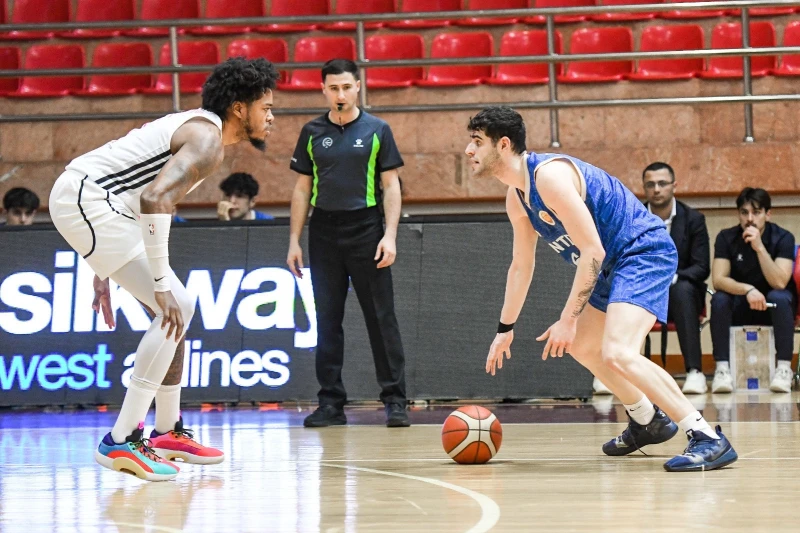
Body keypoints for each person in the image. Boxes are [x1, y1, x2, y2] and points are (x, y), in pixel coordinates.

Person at [48, 57, 280, 481]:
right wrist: (158, 283)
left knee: (176, 313)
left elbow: (135, 191)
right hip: (88, 201)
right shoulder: (206, 139)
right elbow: (155, 200)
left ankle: (166, 430)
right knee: (177, 304)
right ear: (239, 109)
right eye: (266, 106)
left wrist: (104, 268)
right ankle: (120, 441)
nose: (272, 116)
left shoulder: (202, 131)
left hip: (97, 203)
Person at [469, 106, 737, 472]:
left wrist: (567, 317)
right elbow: (521, 266)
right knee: (583, 346)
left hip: (642, 252)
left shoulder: (549, 177)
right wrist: (505, 329)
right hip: (610, 264)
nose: (469, 151)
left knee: (617, 352)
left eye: (476, 142)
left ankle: (706, 437)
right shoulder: (516, 198)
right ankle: (647, 419)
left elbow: (592, 251)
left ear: (502, 145)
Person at [286, 59, 409, 428]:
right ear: (323, 89)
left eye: (346, 87)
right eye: (333, 88)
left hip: (367, 230)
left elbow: (391, 186)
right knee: (327, 320)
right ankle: (331, 403)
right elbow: (301, 188)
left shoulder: (377, 130)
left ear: (358, 87)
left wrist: (389, 235)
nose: (340, 94)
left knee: (381, 318)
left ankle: (395, 401)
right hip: (324, 231)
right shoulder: (311, 132)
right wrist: (294, 239)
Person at [710, 187, 796, 394]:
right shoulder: (726, 237)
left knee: (780, 297)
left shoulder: (783, 238)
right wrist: (748, 289)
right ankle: (722, 370)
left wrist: (759, 248)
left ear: (768, 214)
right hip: (742, 303)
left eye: (756, 212)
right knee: (719, 299)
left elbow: (780, 281)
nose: (749, 219)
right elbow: (719, 280)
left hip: (772, 307)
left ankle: (784, 368)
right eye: (744, 212)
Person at [642, 162, 710, 394]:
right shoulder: (634, 218)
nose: (657, 189)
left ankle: (694, 372)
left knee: (682, 290)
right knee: (612, 291)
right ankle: (610, 373)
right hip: (643, 293)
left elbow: (702, 267)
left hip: (681, 297)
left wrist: (672, 277)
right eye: (650, 184)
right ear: (644, 187)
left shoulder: (693, 219)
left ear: (674, 186)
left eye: (662, 183)